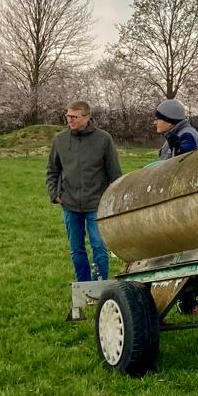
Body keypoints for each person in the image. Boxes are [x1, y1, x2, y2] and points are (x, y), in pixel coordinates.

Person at [46, 100, 122, 282]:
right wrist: (55, 195)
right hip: (70, 204)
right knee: (76, 249)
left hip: (96, 204)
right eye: (67, 116)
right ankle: (82, 286)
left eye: (74, 117)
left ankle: (99, 284)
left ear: (87, 117)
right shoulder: (60, 140)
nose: (69, 120)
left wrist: (114, 200)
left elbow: (115, 173)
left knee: (99, 247)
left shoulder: (104, 139)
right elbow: (52, 170)